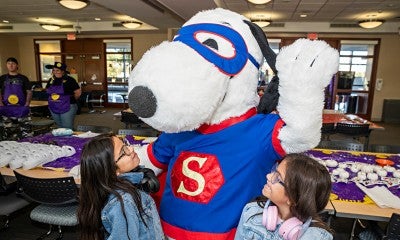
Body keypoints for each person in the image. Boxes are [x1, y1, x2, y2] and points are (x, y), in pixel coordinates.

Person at [78, 134, 164, 240]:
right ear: (112, 170)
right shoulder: (124, 202)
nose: (131, 149)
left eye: (126, 144)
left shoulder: (120, 190)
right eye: (124, 151)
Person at [235, 153, 333, 240]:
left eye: (277, 178)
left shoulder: (317, 236)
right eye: (274, 170)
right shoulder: (251, 211)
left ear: (293, 199)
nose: (268, 176)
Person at [0, 57, 33, 139]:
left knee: (26, 132)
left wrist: (27, 104)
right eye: (9, 63)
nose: (11, 65)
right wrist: (0, 104)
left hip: (21, 108)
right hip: (6, 108)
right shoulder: (2, 78)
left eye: (13, 64)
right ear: (6, 65)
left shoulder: (23, 78)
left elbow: (29, 91)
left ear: (17, 66)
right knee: (7, 132)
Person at [45, 62, 81, 129]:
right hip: (54, 106)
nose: (55, 72)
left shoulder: (70, 80)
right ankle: (61, 140)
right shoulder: (51, 80)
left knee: (67, 127)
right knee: (59, 127)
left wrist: (70, 100)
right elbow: (47, 90)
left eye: (57, 70)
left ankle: (70, 139)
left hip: (68, 106)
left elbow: (78, 92)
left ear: (63, 71)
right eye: (54, 70)